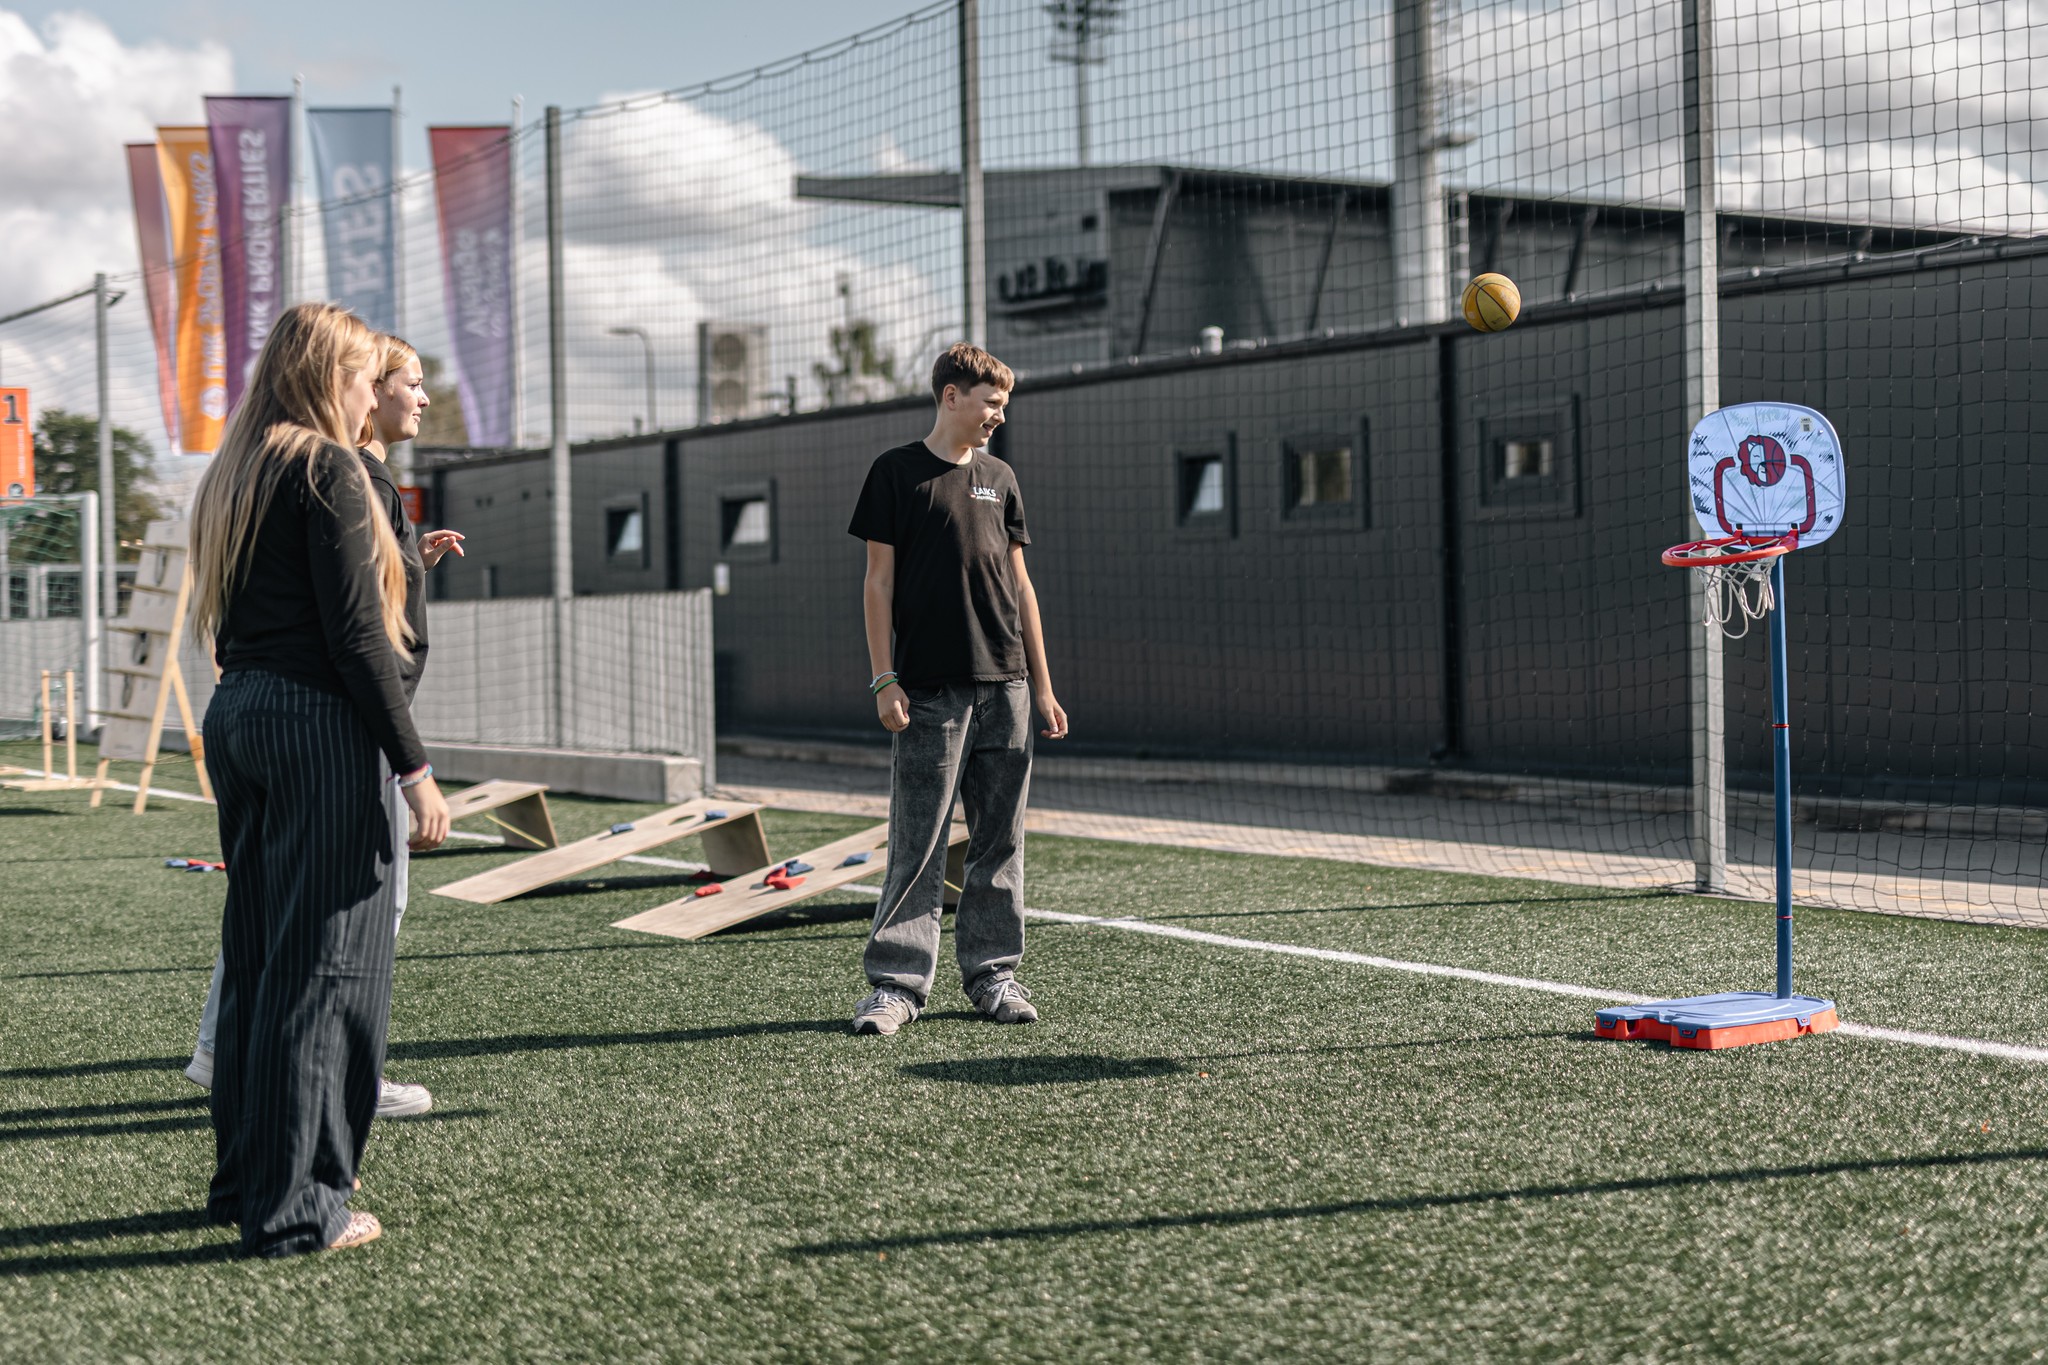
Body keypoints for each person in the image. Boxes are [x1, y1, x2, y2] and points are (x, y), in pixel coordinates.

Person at [188, 301, 451, 1256]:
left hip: (242, 712)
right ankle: (300, 1206)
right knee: (329, 967)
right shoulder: (328, 464)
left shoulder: (238, 469)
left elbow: (234, 619)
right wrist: (413, 766)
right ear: (324, 378)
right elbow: (355, 636)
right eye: (358, 373)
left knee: (260, 962)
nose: (369, 388)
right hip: (315, 726)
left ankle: (246, 1183)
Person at [845, 342, 1067, 1036]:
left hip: (1009, 688)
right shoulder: (895, 474)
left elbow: (1022, 587)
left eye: (1003, 403)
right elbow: (877, 584)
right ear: (951, 396)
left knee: (1000, 840)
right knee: (920, 839)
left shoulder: (1001, 479)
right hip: (929, 692)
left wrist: (1046, 686)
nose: (998, 415)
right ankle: (897, 985)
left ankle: (993, 974)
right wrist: (884, 678)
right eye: (990, 402)